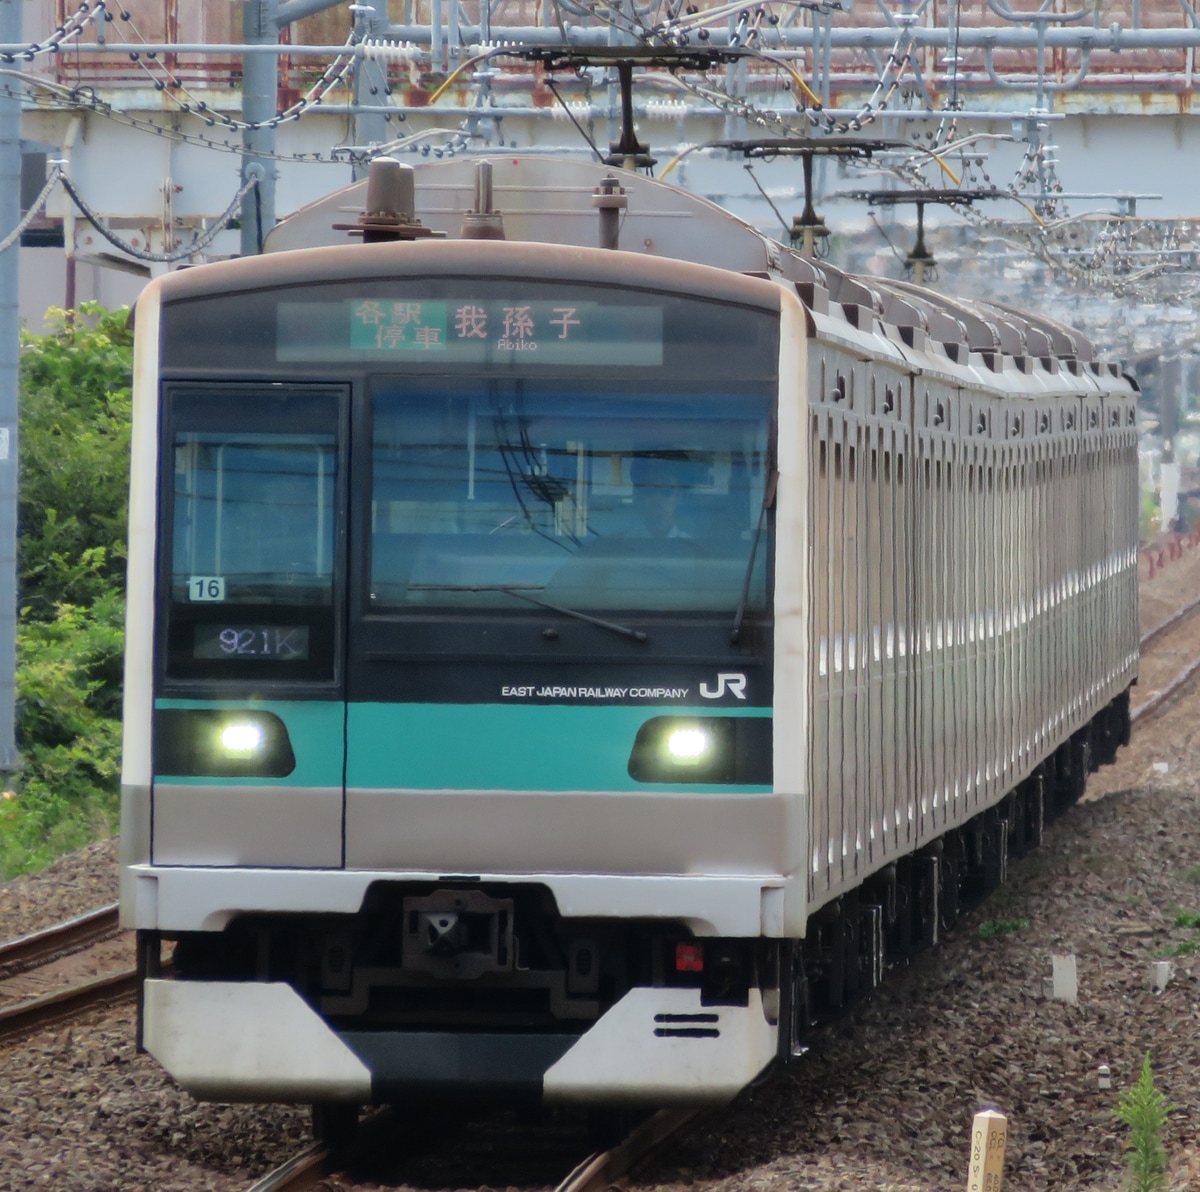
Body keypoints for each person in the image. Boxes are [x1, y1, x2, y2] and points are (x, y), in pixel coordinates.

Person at [629, 452, 693, 539]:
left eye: (666, 489)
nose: (657, 497)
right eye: (649, 489)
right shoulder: (623, 543)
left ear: (678, 496)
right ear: (638, 496)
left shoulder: (689, 546)